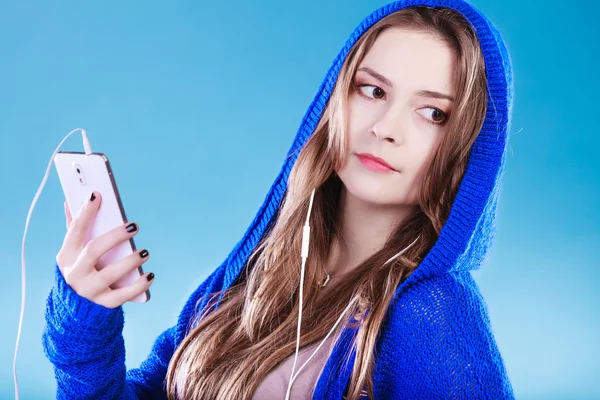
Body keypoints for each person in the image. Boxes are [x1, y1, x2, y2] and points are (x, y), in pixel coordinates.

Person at [42, 0, 516, 399]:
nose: (385, 128)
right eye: (372, 90)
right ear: (335, 100)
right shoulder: (261, 271)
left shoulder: (435, 314)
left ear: (467, 148)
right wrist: (86, 320)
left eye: (433, 113)